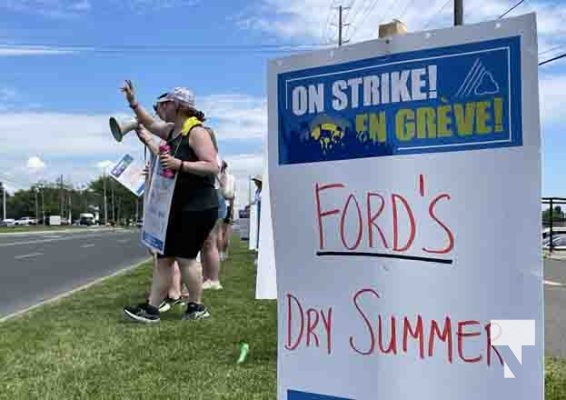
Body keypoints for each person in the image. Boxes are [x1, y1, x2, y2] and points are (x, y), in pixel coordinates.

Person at [121, 81, 219, 323]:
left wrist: (181, 165)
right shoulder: (172, 131)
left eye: (163, 104)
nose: (159, 109)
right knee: (164, 258)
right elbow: (150, 123)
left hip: (198, 205)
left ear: (176, 105)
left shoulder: (196, 132)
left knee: (185, 258)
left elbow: (212, 166)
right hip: (177, 206)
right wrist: (133, 103)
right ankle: (152, 309)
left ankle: (196, 306)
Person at [218, 161, 236, 260]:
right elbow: (232, 195)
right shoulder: (232, 178)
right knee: (226, 230)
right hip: (228, 204)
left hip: (220, 205)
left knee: (220, 231)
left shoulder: (217, 177)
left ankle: (221, 252)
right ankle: (224, 251)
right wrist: (232, 208)